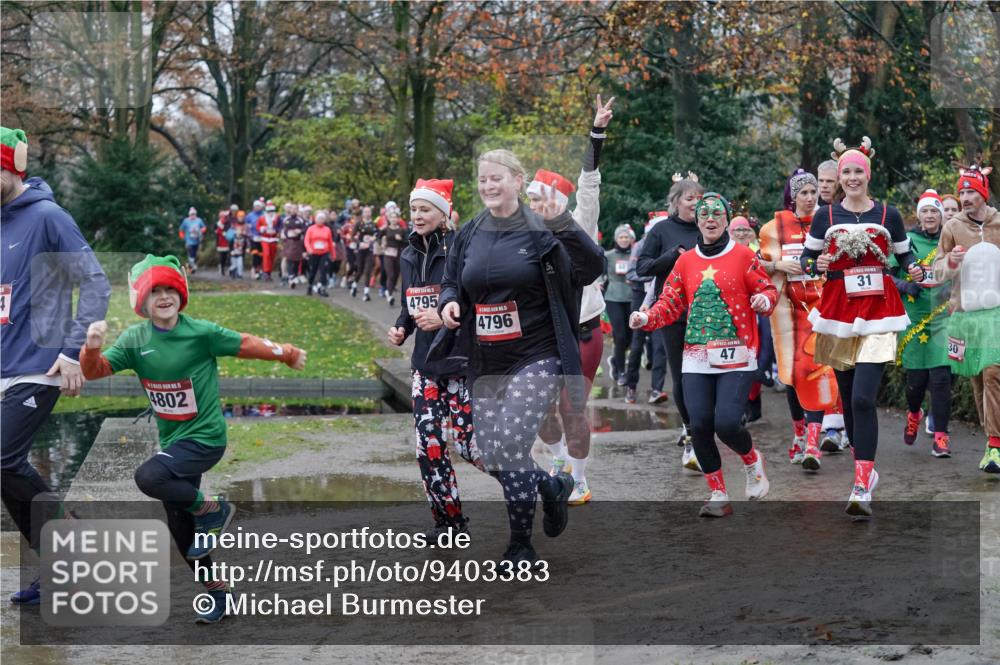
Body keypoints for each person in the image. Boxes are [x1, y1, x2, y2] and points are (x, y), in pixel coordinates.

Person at [80, 254, 306, 623]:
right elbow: (95, 371)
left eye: (170, 289)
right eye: (155, 291)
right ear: (142, 301)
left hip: (205, 439)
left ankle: (213, 508)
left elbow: (245, 343)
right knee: (181, 527)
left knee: (148, 476)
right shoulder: (136, 339)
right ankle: (219, 595)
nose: (164, 297)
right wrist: (91, 347)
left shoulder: (200, 333)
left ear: (181, 294)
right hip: (174, 444)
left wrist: (288, 354)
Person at [429, 148, 605, 565]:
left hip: (537, 354)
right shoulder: (470, 233)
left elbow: (591, 267)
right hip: (487, 360)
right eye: (483, 179)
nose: (488, 186)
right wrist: (449, 302)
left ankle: (521, 545)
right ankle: (551, 487)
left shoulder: (542, 229)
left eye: (497, 178)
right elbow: (452, 281)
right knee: (493, 454)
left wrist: (562, 224)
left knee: (510, 445)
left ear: (517, 181)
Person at [2, 126, 112, 605]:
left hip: (40, 365)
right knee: (5, 472)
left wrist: (71, 353)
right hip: (3, 366)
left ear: (12, 166)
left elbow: (96, 284)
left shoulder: (48, 217)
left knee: (2, 459)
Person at [630, 192, 777, 517]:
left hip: (737, 353)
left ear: (726, 219)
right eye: (704, 214)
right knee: (698, 425)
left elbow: (766, 288)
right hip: (697, 355)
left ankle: (752, 461)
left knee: (726, 424)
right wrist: (646, 317)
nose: (710, 219)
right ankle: (718, 494)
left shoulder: (743, 256)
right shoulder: (686, 261)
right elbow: (670, 302)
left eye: (717, 213)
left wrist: (764, 301)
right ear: (696, 221)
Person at [799, 137, 922, 517]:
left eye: (858, 172)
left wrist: (915, 269)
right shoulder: (826, 216)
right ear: (840, 177)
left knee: (864, 399)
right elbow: (807, 259)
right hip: (838, 312)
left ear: (868, 175)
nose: (852, 178)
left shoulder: (888, 214)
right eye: (847, 172)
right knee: (850, 398)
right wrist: (814, 266)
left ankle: (861, 483)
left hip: (879, 312)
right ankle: (864, 469)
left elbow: (905, 255)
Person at [388, 178, 484, 539]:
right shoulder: (408, 254)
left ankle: (533, 484)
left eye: (425, 209)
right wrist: (402, 328)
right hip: (425, 365)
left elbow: (474, 304)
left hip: (460, 361)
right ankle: (449, 523)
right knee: (428, 445)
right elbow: (409, 305)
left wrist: (444, 318)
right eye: (413, 209)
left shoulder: (461, 249)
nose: (416, 215)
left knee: (470, 447)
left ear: (443, 215)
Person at [533, 94, 613, 505]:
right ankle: (561, 458)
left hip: (583, 331)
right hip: (544, 335)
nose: (536, 206)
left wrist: (596, 133)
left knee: (572, 407)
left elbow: (588, 183)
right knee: (540, 412)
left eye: (543, 199)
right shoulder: (524, 235)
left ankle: (579, 480)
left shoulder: (580, 222)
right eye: (532, 200)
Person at [758, 169, 841, 470]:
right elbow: (758, 265)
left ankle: (812, 444)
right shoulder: (773, 228)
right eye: (803, 193)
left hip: (822, 309)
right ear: (792, 197)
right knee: (793, 375)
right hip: (788, 313)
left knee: (817, 369)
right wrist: (780, 264)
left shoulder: (830, 222)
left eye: (813, 192)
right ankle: (799, 432)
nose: (809, 197)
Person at [932, 163, 1000, 474]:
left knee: (993, 372)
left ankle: (995, 444)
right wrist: (951, 261)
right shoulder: (953, 227)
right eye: (961, 193)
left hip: (996, 313)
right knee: (977, 378)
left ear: (983, 193)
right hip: (965, 316)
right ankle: (992, 440)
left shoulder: (998, 223)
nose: (965, 198)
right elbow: (937, 272)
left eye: (971, 192)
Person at [637, 174, 705, 462]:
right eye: (690, 199)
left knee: (704, 375)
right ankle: (690, 430)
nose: (696, 204)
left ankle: (702, 428)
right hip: (673, 313)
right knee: (682, 375)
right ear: (676, 202)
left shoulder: (708, 227)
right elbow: (642, 268)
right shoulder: (661, 230)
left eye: (700, 198)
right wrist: (670, 257)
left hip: (707, 313)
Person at [888, 189, 953, 456]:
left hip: (943, 318)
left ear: (941, 215)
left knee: (941, 379)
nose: (929, 215)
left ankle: (941, 437)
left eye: (934, 211)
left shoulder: (950, 239)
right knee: (916, 382)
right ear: (919, 216)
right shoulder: (906, 241)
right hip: (914, 320)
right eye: (925, 211)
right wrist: (905, 286)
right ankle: (914, 413)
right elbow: (887, 276)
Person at [622, 212, 667, 406]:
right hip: (640, 295)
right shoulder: (640, 245)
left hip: (661, 297)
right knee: (637, 342)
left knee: (659, 344)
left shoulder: (670, 245)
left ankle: (657, 389)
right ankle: (631, 386)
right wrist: (654, 275)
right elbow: (631, 273)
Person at [604, 224, 636, 390]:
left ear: (630, 239)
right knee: (620, 335)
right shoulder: (608, 255)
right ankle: (621, 372)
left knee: (630, 336)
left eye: (626, 237)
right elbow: (598, 272)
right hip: (613, 297)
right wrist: (599, 282)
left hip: (631, 297)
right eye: (621, 237)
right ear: (616, 239)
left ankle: (615, 361)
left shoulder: (634, 255)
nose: (624, 240)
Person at [381, 208, 408, 307]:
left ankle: (389, 291)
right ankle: (390, 295)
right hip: (388, 253)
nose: (393, 219)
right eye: (391, 217)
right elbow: (378, 237)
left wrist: (400, 239)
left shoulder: (402, 230)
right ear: (389, 219)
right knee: (391, 274)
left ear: (398, 219)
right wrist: (382, 243)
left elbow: (407, 242)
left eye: (395, 217)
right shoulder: (385, 229)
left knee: (396, 275)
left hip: (398, 254)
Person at [351, 206, 378, 301]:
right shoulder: (359, 223)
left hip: (369, 250)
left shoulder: (373, 224)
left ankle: (366, 293)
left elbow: (377, 234)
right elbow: (352, 236)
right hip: (360, 250)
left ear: (371, 213)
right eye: (365, 212)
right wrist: (359, 243)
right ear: (363, 213)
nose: (367, 213)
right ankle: (354, 284)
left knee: (368, 270)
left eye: (368, 212)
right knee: (360, 270)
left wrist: (373, 238)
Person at [304, 210, 334, 297]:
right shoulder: (311, 229)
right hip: (314, 253)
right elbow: (306, 240)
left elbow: (330, 242)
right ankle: (310, 285)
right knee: (313, 271)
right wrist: (309, 249)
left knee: (323, 270)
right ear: (316, 219)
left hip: (324, 252)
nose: (320, 220)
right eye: (319, 218)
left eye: (322, 219)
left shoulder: (327, 229)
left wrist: (333, 254)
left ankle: (322, 288)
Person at [281, 205, 307, 288]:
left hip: (298, 241)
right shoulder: (286, 219)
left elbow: (305, 230)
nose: (293, 210)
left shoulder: (301, 220)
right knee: (289, 259)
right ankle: (290, 276)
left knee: (297, 260)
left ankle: (294, 275)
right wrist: (287, 233)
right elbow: (283, 230)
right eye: (292, 208)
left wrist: (299, 231)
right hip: (289, 241)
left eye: (295, 209)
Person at [256, 201, 281, 281]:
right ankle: (266, 272)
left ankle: (268, 271)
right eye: (269, 211)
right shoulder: (262, 218)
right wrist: (262, 228)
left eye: (272, 211)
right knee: (266, 254)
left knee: (272, 256)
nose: (270, 213)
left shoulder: (277, 217)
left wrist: (277, 231)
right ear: (266, 211)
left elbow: (280, 226)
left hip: (273, 239)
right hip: (265, 239)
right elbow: (258, 227)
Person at [179, 207, 206, 273]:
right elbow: (181, 229)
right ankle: (192, 267)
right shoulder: (186, 221)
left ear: (196, 214)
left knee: (195, 255)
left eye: (194, 214)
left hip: (197, 241)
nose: (193, 215)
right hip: (189, 241)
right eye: (191, 214)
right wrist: (182, 237)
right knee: (191, 253)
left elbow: (204, 227)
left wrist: (201, 231)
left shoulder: (199, 220)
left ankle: (191, 266)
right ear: (189, 214)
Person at [214, 211, 230, 277]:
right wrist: (221, 233)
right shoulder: (217, 223)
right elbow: (216, 231)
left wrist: (226, 233)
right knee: (221, 256)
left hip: (227, 242)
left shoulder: (228, 223)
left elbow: (229, 230)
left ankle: (224, 268)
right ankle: (221, 268)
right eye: (222, 216)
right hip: (220, 242)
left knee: (226, 257)